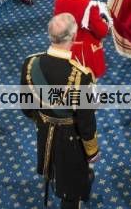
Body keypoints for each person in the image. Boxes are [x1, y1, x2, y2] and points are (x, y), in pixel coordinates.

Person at [20, 13, 99, 209]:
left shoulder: (30, 63)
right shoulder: (81, 76)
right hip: (72, 140)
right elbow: (86, 123)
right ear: (73, 37)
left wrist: (45, 119)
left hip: (44, 132)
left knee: (55, 171)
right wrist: (92, 151)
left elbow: (26, 107)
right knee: (72, 190)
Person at [54, 0, 111, 78]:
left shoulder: (59, 0)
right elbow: (101, 31)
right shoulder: (90, 4)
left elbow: (58, 25)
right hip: (84, 53)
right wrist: (105, 23)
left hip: (64, 49)